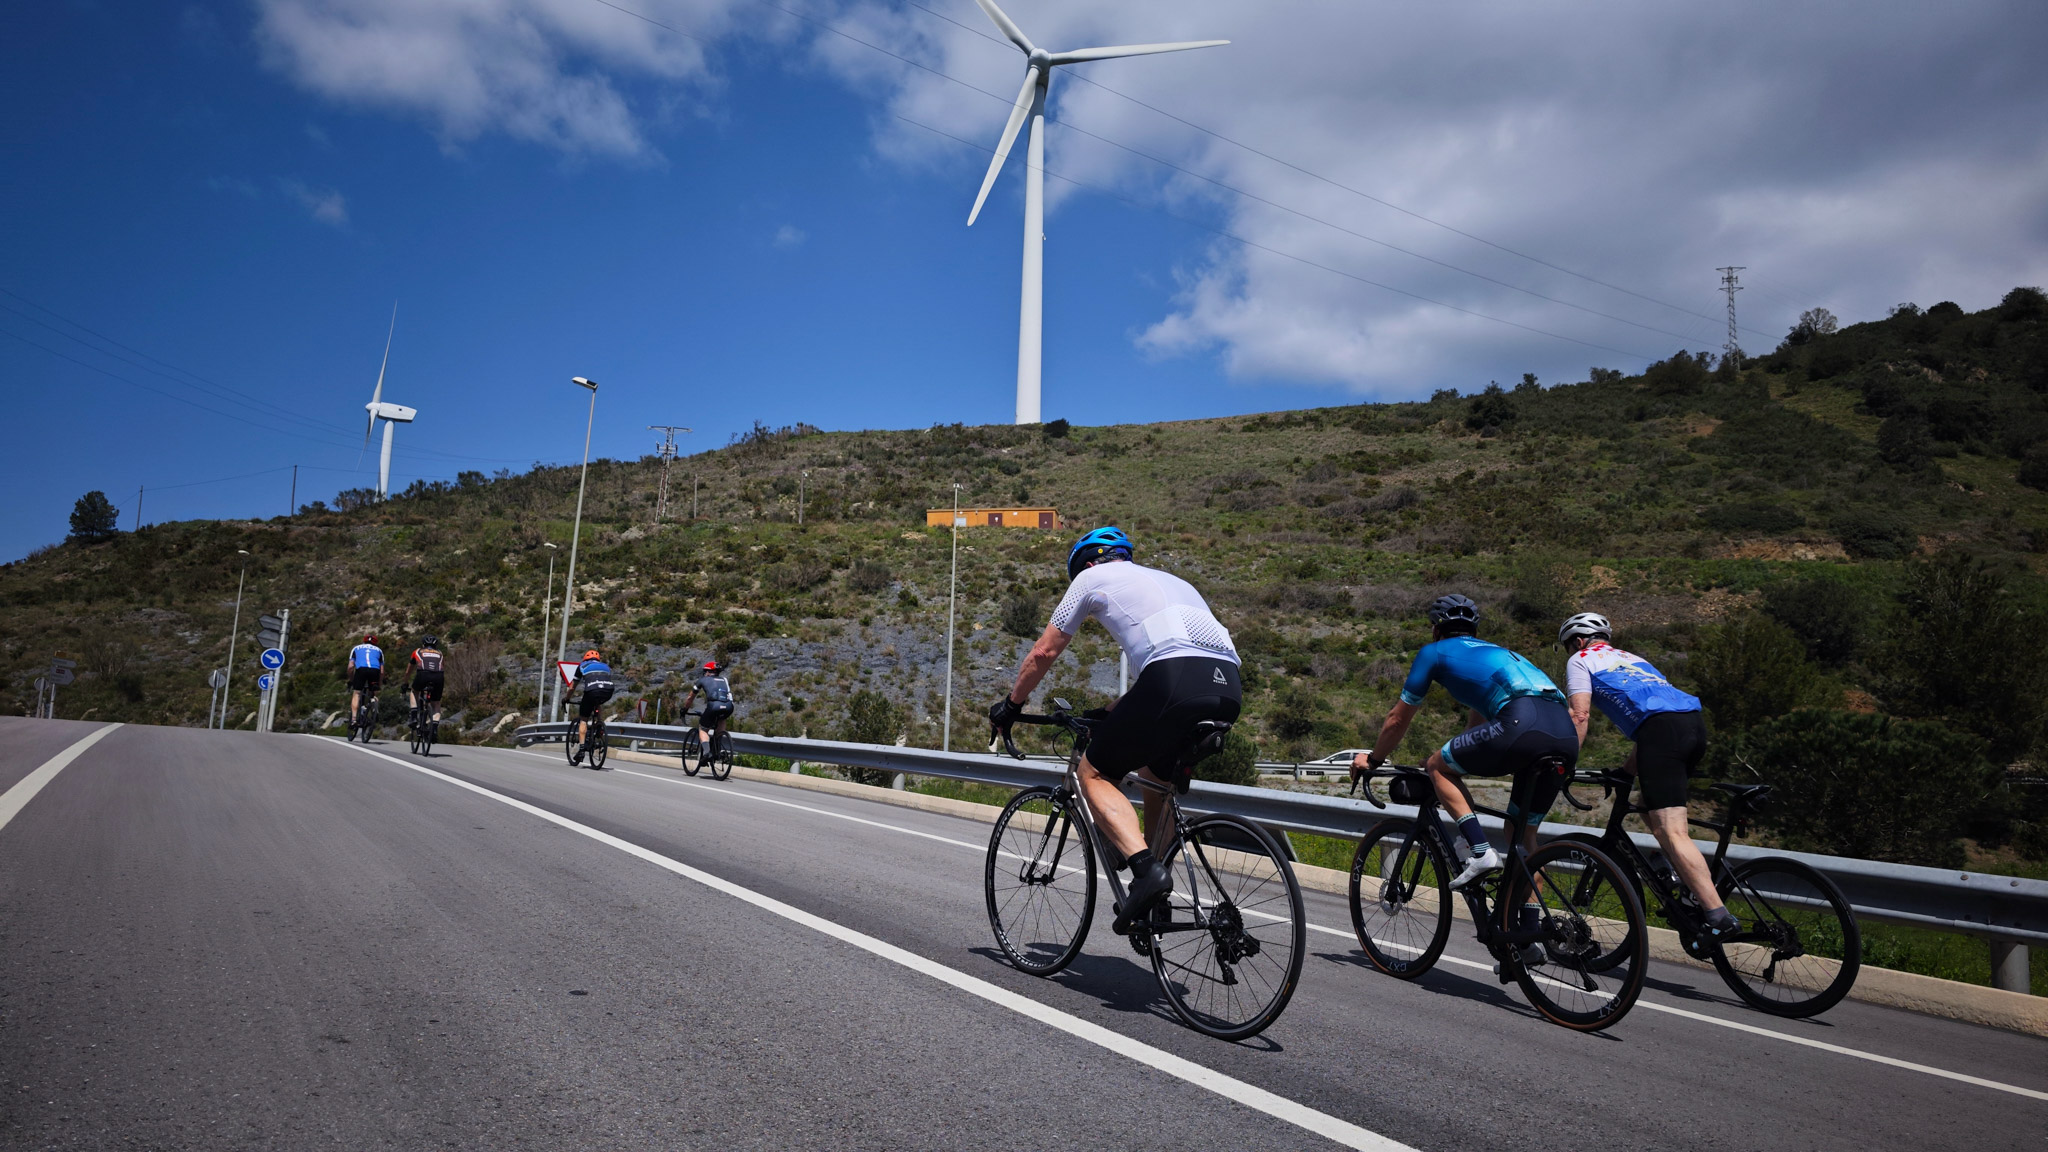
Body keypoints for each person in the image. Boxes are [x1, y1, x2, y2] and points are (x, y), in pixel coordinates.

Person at [989, 527, 1242, 929]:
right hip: (1227, 687)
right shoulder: (1173, 582)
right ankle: (1156, 898)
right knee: (1155, 778)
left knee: (1092, 774)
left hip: (1174, 678)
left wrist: (1011, 705)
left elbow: (1044, 651)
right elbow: (1159, 683)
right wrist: (1107, 712)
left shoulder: (1091, 578)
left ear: (1088, 563)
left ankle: (1147, 872)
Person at [1350, 596, 1578, 892]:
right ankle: (1527, 920)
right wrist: (1451, 759)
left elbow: (1397, 720)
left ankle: (1480, 852)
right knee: (1522, 838)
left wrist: (1374, 760)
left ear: (1436, 630)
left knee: (1437, 766)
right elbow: (1475, 729)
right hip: (1565, 733)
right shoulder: (1498, 653)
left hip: (1521, 721)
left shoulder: (1433, 652)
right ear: (1474, 632)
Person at [1559, 611, 1738, 938]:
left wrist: (1564, 764)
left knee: (1672, 830)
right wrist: (1627, 772)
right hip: (1693, 726)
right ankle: (1684, 884)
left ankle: (1718, 916)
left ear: (1579, 641)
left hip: (1662, 733)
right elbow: (1656, 718)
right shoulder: (1634, 659)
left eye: (1569, 646)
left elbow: (1580, 715)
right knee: (1648, 807)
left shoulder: (1581, 659)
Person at [681, 660, 735, 763]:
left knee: (703, 729)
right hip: (729, 706)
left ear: (708, 672)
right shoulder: (724, 679)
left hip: (714, 706)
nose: (705, 674)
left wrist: (685, 709)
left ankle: (706, 753)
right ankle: (718, 751)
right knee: (721, 721)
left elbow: (690, 698)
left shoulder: (702, 680)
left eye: (705, 671)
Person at [570, 649, 615, 752]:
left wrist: (566, 698)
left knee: (583, 720)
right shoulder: (606, 666)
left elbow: (572, 687)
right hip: (608, 691)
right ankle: (599, 725)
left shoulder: (582, 666)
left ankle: (581, 749)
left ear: (585, 659)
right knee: (597, 702)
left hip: (591, 691)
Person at [407, 636, 446, 733]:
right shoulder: (440, 653)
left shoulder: (417, 651)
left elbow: (409, 671)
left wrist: (405, 683)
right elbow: (442, 666)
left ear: (423, 644)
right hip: (439, 676)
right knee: (436, 703)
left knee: (414, 691)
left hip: (423, 674)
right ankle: (434, 730)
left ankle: (414, 717)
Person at [346, 634, 383, 724]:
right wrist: (379, 685)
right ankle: (374, 704)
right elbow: (382, 672)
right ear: (375, 643)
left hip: (361, 670)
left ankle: (354, 719)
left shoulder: (356, 648)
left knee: (357, 693)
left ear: (363, 641)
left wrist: (351, 680)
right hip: (375, 670)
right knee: (373, 692)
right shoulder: (379, 650)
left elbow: (350, 667)